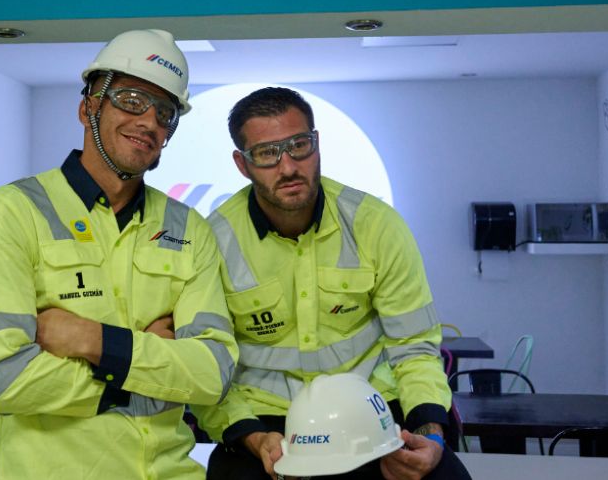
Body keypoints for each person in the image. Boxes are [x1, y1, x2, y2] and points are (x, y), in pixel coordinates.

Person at [0, 29, 237, 479]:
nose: (150, 121)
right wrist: (150, 366)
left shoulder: (190, 227)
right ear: (89, 105)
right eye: (132, 99)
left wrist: (93, 342)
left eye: (165, 112)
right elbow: (3, 379)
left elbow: (213, 374)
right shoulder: (13, 211)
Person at [193, 87, 471, 480]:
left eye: (299, 145)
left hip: (370, 413)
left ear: (317, 144)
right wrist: (253, 438)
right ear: (242, 164)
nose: (288, 166)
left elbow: (414, 348)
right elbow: (209, 364)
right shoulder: (212, 240)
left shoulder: (377, 225)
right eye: (267, 153)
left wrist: (431, 436)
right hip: (268, 421)